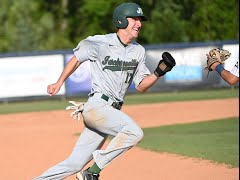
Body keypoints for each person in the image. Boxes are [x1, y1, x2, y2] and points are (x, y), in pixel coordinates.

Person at [34, 2, 175, 180]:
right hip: (97, 107)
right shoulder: (101, 42)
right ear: (121, 20)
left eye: (140, 20)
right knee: (134, 132)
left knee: (75, 163)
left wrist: (159, 72)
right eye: (135, 19)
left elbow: (141, 86)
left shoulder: (138, 51)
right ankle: (92, 172)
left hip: (111, 112)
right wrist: (59, 82)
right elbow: (77, 59)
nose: (139, 23)